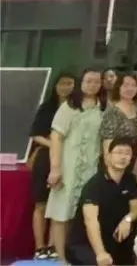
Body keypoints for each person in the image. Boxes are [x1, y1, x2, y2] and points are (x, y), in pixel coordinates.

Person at [45, 68, 107, 263]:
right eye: (88, 81)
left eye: (96, 81)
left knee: (83, 214)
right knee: (61, 213)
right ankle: (61, 259)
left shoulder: (103, 107)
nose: (92, 85)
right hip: (67, 167)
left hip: (90, 168)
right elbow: (56, 137)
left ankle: (78, 258)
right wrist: (55, 168)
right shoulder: (69, 107)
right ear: (81, 82)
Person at [65, 138, 137, 266]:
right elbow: (91, 221)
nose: (123, 157)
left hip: (115, 239)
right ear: (108, 156)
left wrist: (127, 219)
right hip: (86, 243)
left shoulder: (130, 180)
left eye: (127, 153)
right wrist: (100, 253)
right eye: (119, 152)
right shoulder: (94, 185)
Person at [29, 71, 75, 260]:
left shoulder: (76, 108)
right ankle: (39, 247)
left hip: (68, 160)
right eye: (62, 83)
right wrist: (54, 145)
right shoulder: (46, 108)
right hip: (45, 158)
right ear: (55, 86)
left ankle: (53, 245)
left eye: (70, 83)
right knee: (41, 203)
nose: (66, 87)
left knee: (60, 204)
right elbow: (36, 134)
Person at [101, 73, 137, 180]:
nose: (130, 88)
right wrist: (110, 168)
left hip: (135, 161)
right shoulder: (112, 112)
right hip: (117, 162)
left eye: (133, 85)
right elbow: (107, 144)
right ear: (118, 87)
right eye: (126, 85)